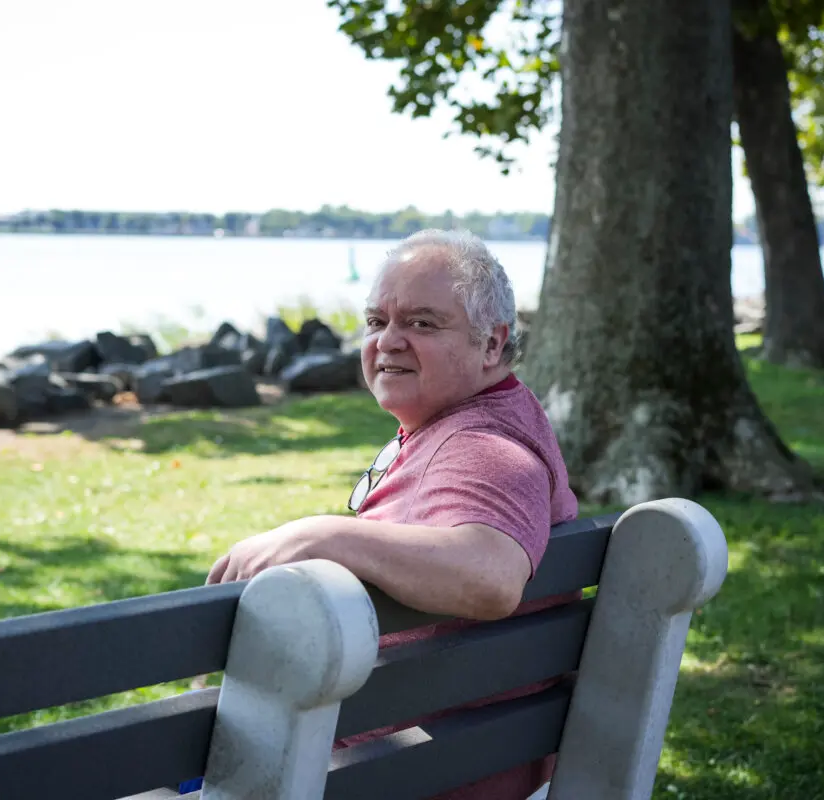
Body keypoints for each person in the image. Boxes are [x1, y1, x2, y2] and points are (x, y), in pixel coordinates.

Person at [206, 229, 579, 799]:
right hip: (434, 763)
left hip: (384, 779)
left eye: (423, 323)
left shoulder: (484, 449)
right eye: (377, 322)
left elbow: (491, 576)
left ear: (492, 344)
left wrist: (328, 535)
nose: (389, 342)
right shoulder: (482, 422)